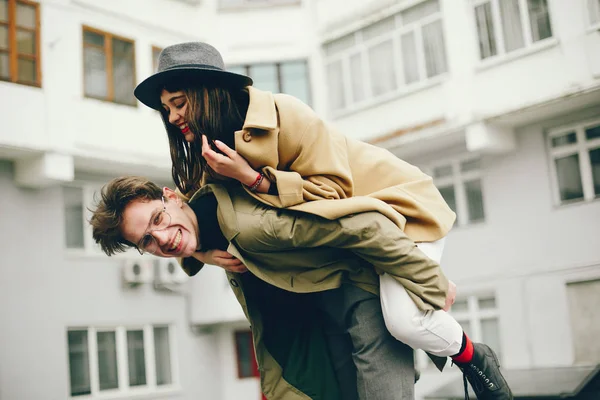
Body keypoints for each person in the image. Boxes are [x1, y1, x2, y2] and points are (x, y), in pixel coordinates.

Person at [134, 42, 512, 399]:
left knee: (405, 321)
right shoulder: (211, 152)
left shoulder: (285, 114)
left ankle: (475, 358)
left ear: (207, 91)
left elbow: (333, 195)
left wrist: (252, 178)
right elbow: (196, 214)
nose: (172, 116)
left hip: (399, 211)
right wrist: (200, 255)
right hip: (356, 244)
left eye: (178, 103)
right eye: (166, 109)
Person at [90, 176, 446, 400]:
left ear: (171, 196)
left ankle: (474, 359)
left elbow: (361, 227)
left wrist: (431, 282)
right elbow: (183, 239)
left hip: (356, 303)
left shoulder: (250, 226)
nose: (163, 239)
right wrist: (199, 252)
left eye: (157, 219)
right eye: (147, 241)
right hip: (306, 349)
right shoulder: (197, 235)